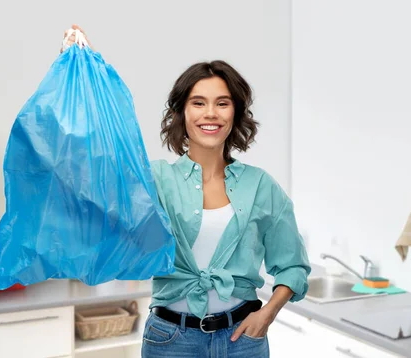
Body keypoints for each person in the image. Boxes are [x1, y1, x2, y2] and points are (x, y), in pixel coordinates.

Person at [62, 25, 311, 358]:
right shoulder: (156, 179)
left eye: (222, 103)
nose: (210, 113)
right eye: (198, 103)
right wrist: (84, 79)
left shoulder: (261, 186)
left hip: (243, 341)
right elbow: (97, 174)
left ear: (234, 113)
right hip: (171, 341)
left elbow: (293, 266)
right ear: (182, 112)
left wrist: (268, 313)